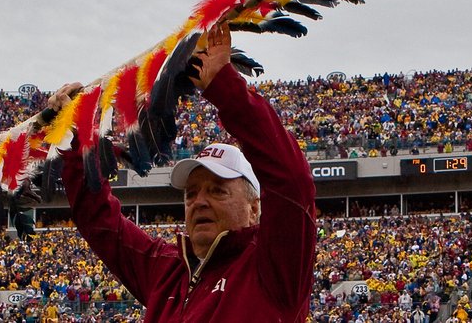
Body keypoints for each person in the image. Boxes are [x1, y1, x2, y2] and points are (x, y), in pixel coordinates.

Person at [52, 22, 317, 322]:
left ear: (254, 208)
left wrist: (225, 86)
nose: (199, 202)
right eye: (191, 193)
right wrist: (78, 140)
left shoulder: (273, 268)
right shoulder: (166, 269)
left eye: (218, 190)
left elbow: (292, 182)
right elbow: (99, 220)